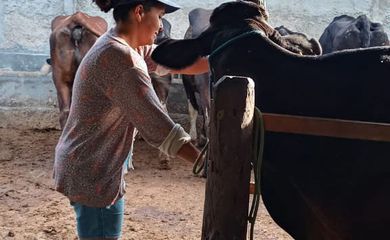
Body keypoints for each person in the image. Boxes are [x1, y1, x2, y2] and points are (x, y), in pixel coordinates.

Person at [53, 0, 209, 239]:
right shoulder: (121, 60)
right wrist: (208, 165)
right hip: (93, 173)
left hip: (93, 164)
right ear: (139, 12)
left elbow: (170, 62)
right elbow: (162, 131)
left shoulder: (119, 44)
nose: (160, 26)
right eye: (159, 16)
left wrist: (219, 60)